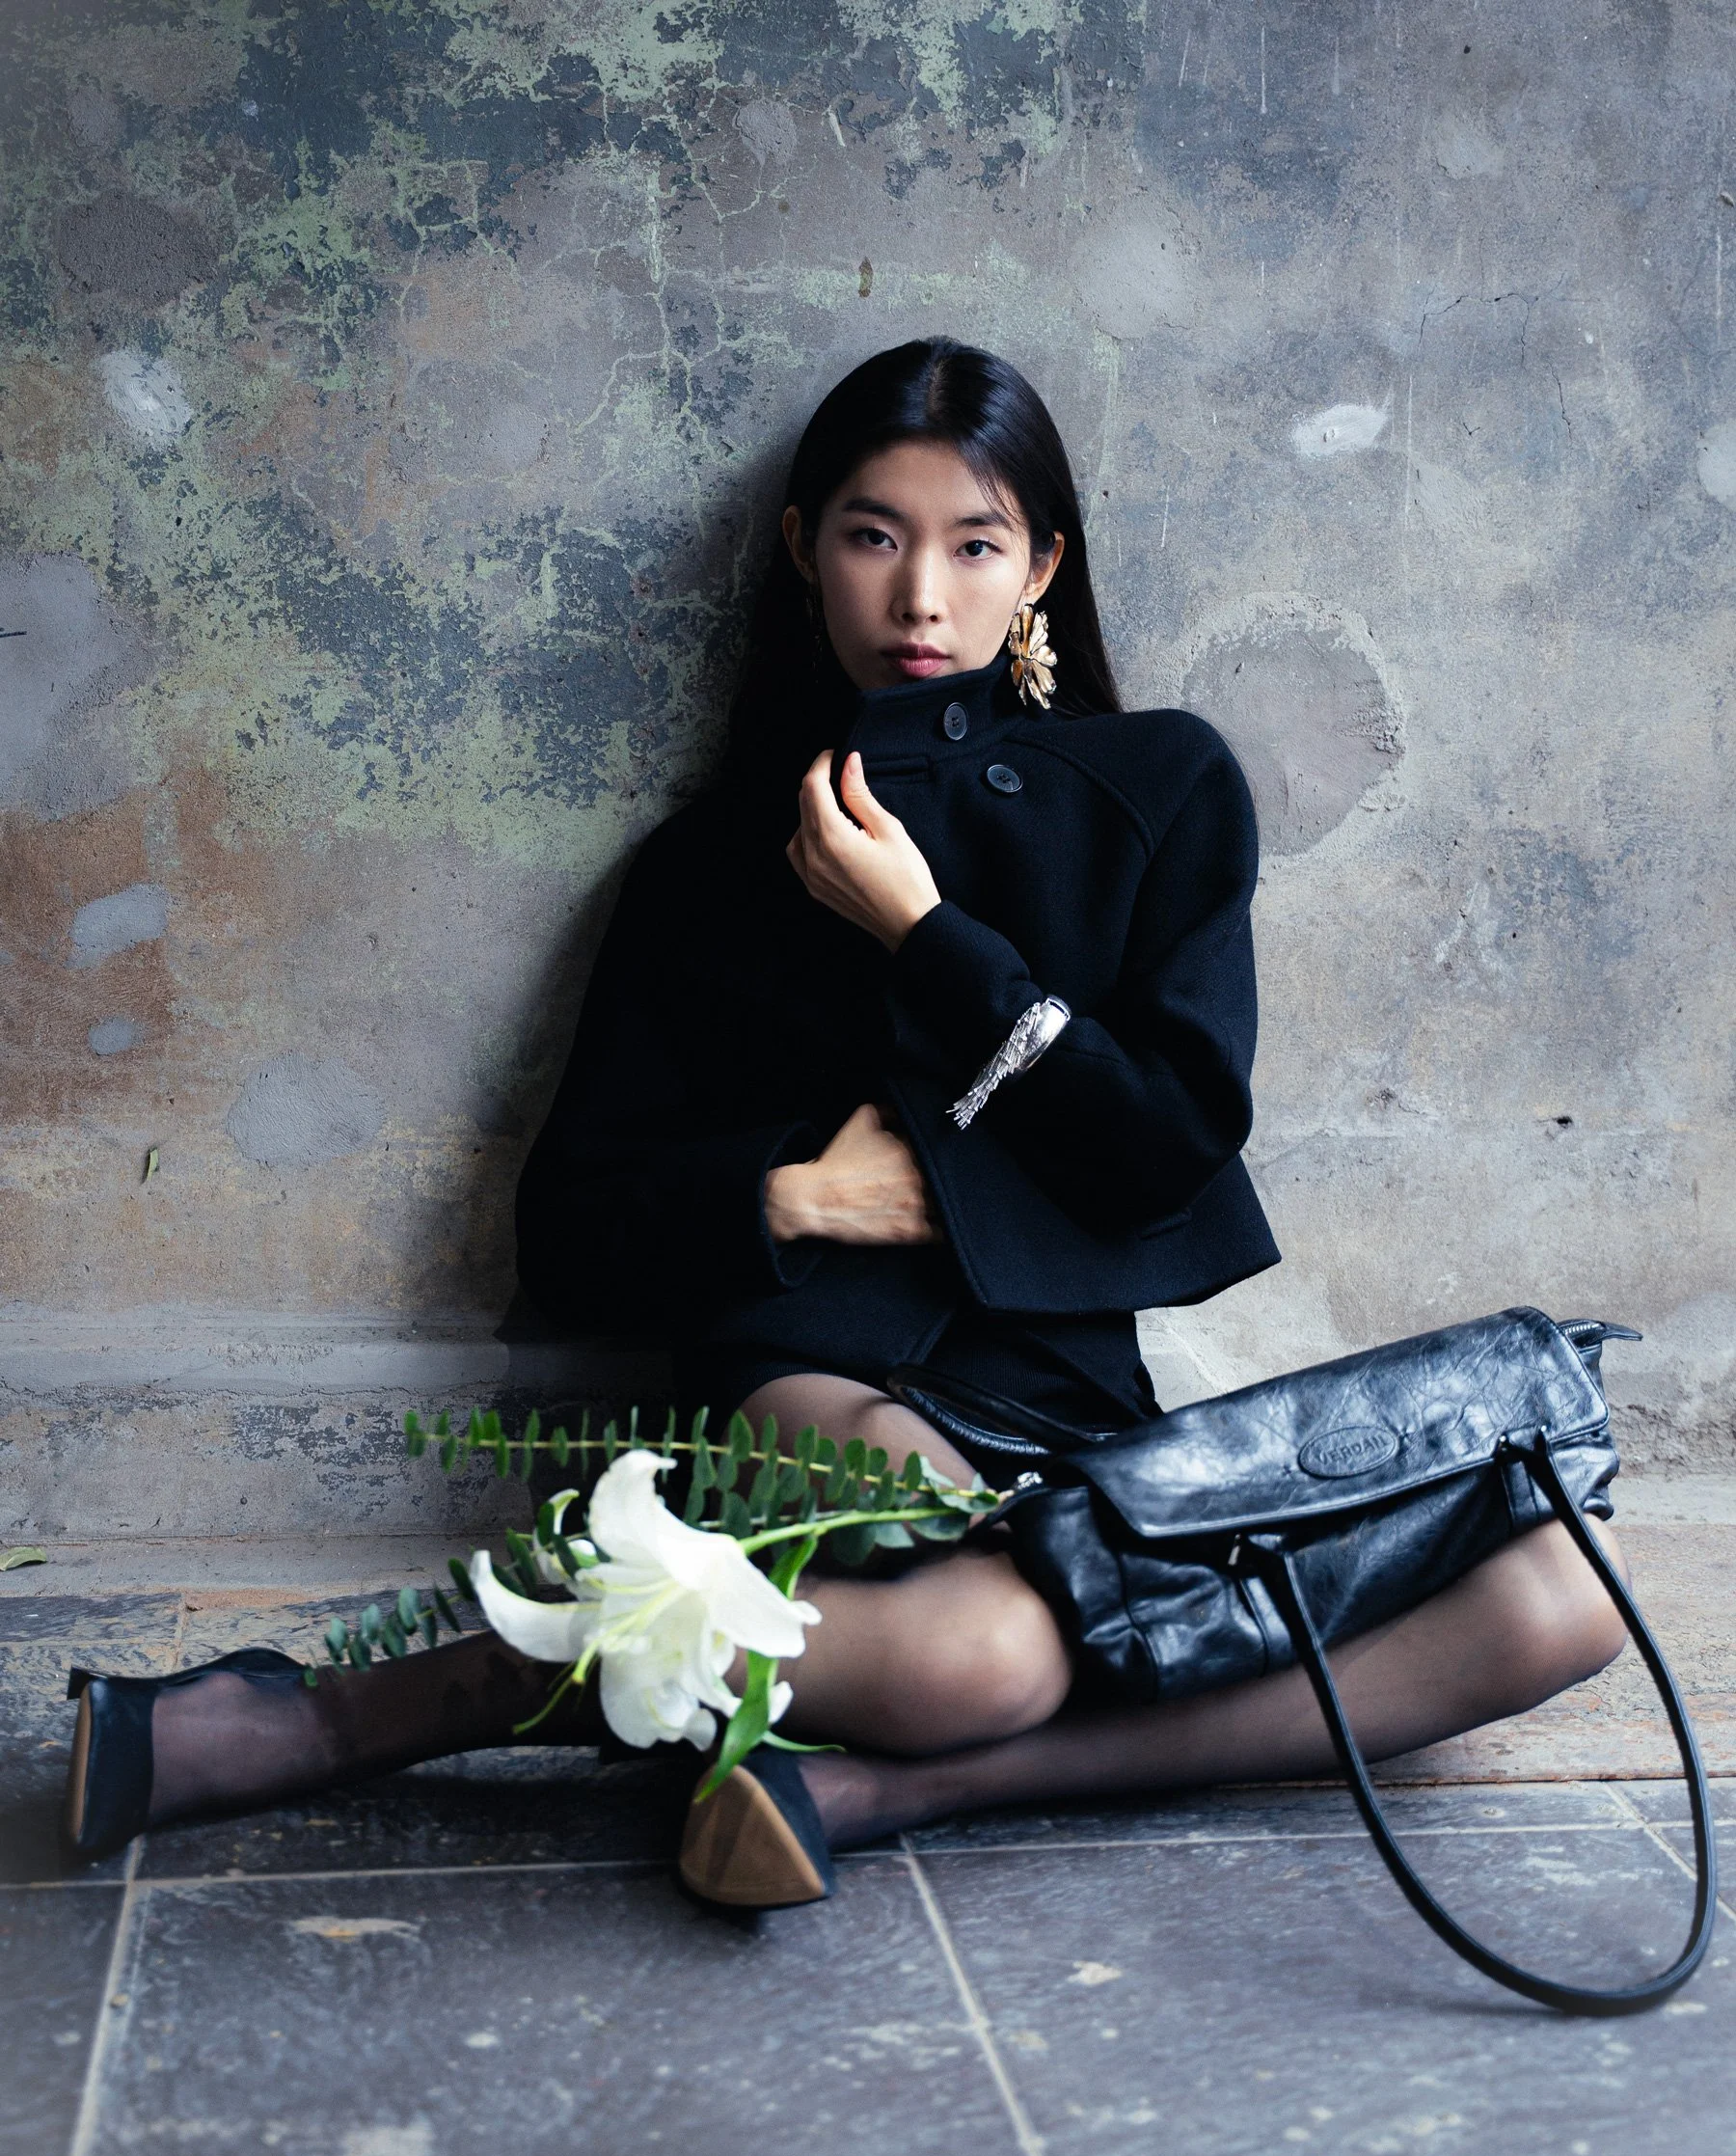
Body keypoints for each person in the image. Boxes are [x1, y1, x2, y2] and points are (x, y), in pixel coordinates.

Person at [63, 342, 1628, 1903]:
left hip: (1070, 1412)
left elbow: (1168, 1149)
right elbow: (566, 1233)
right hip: (812, 1379)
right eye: (875, 536)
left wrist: (929, 936)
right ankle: (348, 1707)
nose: (921, 599)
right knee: (977, 1647)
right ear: (805, 545)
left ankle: (860, 1788)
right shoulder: (704, 863)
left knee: (1563, 1597)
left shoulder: (1163, 787)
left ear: (1044, 569)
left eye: (976, 543)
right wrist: (800, 1200)